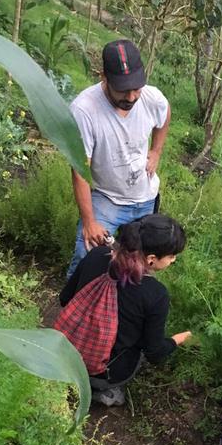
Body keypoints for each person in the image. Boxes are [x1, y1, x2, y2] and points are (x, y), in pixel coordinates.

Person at [59, 214, 191, 406]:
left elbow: (65, 299)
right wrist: (178, 339)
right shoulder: (155, 294)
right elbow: (154, 352)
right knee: (136, 349)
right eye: (172, 256)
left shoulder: (97, 255)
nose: (174, 260)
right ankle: (104, 389)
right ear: (152, 259)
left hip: (63, 348)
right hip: (103, 370)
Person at [67, 39, 171, 277]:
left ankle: (120, 306)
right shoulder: (84, 110)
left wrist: (156, 151)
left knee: (141, 263)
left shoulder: (151, 98)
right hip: (108, 199)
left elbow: (165, 114)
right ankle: (73, 306)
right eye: (123, 89)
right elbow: (80, 169)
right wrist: (90, 221)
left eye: (136, 88)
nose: (132, 97)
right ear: (104, 77)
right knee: (88, 252)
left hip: (146, 197)